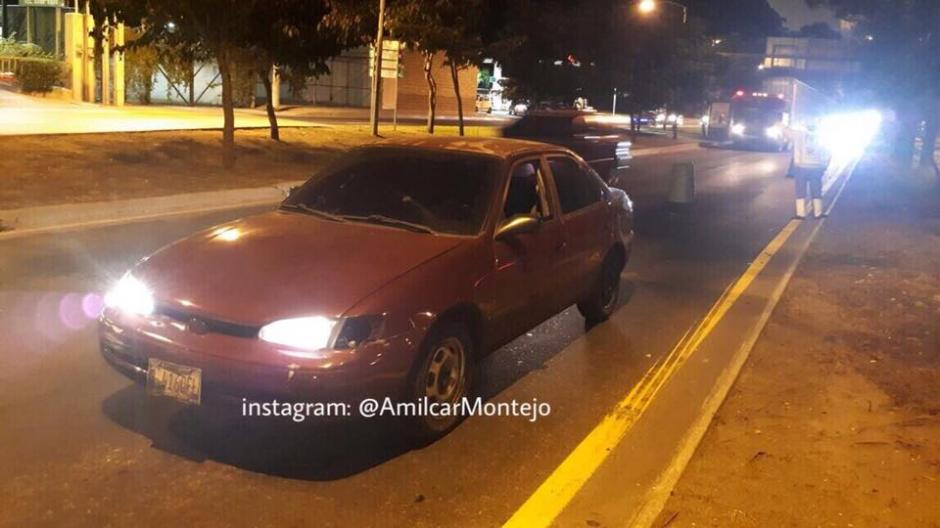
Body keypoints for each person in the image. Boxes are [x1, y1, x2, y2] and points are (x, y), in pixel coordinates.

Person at [787, 122, 831, 219]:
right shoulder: (823, 137)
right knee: (816, 190)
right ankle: (818, 213)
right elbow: (827, 153)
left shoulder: (799, 134)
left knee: (800, 190)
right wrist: (825, 166)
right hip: (816, 168)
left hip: (801, 167)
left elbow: (787, 132)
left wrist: (780, 125)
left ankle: (800, 214)